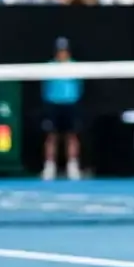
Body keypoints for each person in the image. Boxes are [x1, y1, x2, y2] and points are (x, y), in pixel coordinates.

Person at [41, 37, 83, 181]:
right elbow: (44, 86)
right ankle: (49, 167)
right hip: (53, 105)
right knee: (51, 137)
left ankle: (72, 167)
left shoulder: (76, 67)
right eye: (59, 51)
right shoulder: (49, 67)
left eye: (64, 51)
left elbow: (79, 86)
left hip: (71, 104)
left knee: (71, 136)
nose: (62, 54)